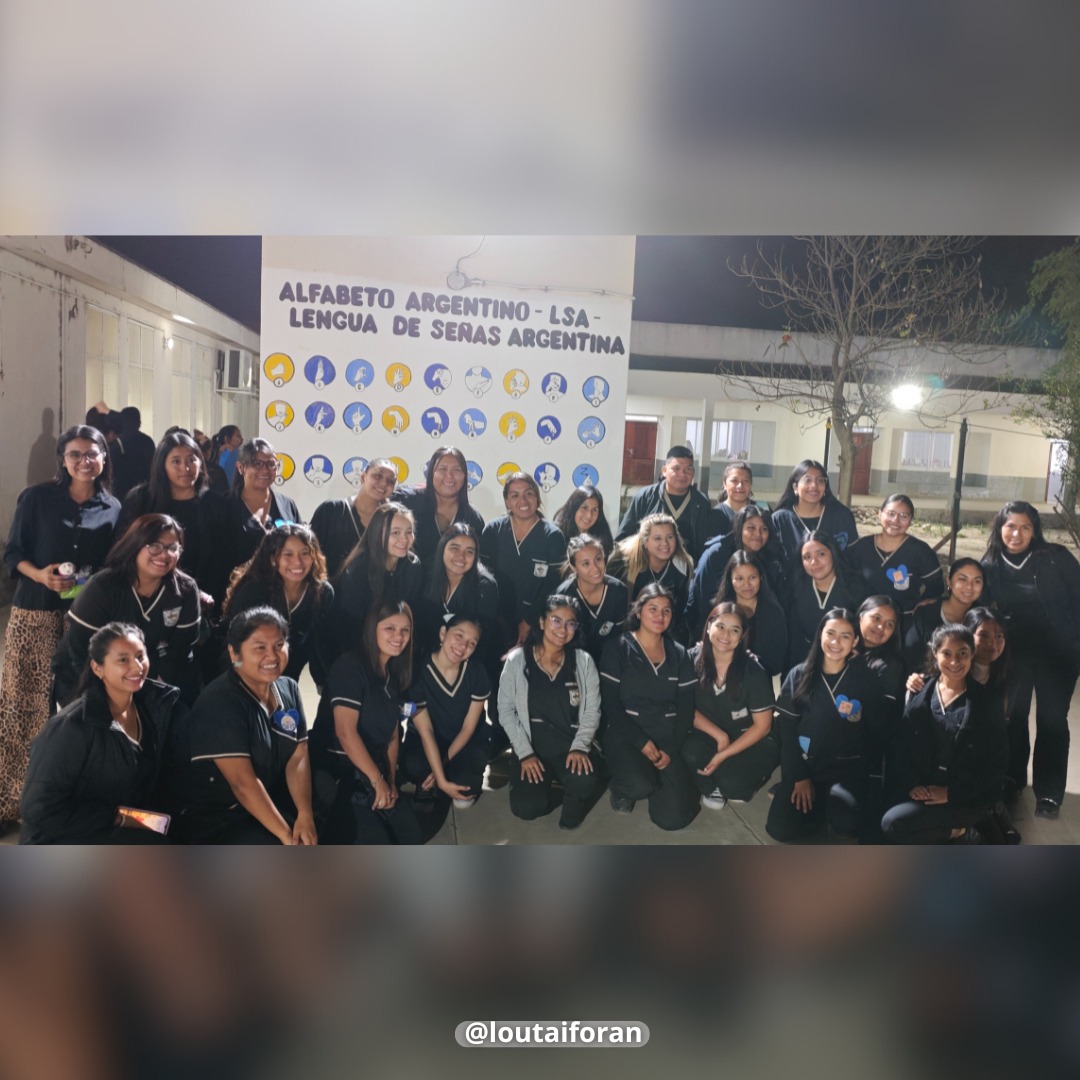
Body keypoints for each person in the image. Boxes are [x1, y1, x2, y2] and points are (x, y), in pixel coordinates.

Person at [0, 425, 120, 827]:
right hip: (34, 612)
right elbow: (13, 553)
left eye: (92, 453)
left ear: (103, 457)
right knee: (22, 706)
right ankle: (10, 802)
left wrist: (83, 584)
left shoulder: (113, 508)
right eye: (75, 454)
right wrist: (40, 575)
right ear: (63, 460)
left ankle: (61, 798)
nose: (84, 461)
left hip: (85, 618)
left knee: (76, 706)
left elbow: (110, 567)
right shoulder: (37, 498)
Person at [162, 606, 316, 844]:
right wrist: (287, 837)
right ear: (234, 654)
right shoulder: (220, 701)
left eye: (279, 645)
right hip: (212, 817)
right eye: (260, 648)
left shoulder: (289, 688)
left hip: (259, 803)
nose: (272, 656)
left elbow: (298, 755)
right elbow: (243, 784)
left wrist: (305, 814)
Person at [20, 623, 178, 844]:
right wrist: (117, 818)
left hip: (120, 825)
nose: (137, 667)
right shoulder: (71, 727)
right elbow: (38, 809)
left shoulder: (152, 707)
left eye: (140, 656)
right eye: (123, 660)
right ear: (97, 668)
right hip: (61, 839)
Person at [980, 500, 1080, 819]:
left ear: (1035, 531)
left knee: (1052, 719)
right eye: (1010, 526)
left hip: (1058, 655)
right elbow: (979, 608)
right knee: (1013, 716)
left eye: (1025, 527)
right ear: (1000, 528)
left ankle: (1049, 793)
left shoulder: (1056, 558)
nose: (1017, 533)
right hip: (1013, 654)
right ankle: (1012, 780)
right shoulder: (990, 563)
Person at [52, 513, 204, 707]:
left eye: (172, 548)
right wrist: (111, 695)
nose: (164, 554)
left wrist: (152, 690)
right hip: (85, 678)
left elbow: (181, 651)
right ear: (135, 545)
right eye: (155, 546)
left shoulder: (185, 589)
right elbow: (80, 650)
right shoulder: (103, 586)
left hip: (147, 679)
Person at [310, 600, 424, 844]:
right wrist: (377, 780)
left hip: (372, 767)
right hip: (338, 768)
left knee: (412, 836)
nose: (399, 636)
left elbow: (393, 734)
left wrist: (390, 779)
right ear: (373, 628)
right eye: (390, 628)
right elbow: (345, 732)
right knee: (375, 840)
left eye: (405, 630)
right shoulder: (350, 666)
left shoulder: (393, 673)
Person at [881, 624, 1008, 843]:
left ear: (972, 654)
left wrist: (950, 793)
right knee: (884, 828)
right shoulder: (919, 692)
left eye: (962, 653)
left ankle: (964, 831)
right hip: (923, 791)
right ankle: (956, 834)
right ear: (935, 653)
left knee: (895, 825)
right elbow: (902, 746)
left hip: (965, 795)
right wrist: (913, 784)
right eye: (946, 653)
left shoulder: (987, 702)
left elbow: (996, 764)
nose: (955, 662)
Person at [766, 608, 884, 843]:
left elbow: (873, 731)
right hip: (806, 764)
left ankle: (825, 804)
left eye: (845, 636)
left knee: (847, 823)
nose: (836, 642)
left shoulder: (865, 678)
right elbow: (787, 731)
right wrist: (798, 776)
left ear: (855, 641)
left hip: (845, 770)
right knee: (779, 830)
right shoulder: (799, 674)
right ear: (820, 634)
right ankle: (801, 796)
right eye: (830, 633)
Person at [498, 596, 603, 831]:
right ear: (542, 622)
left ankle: (573, 798)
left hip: (570, 745)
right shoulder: (518, 660)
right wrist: (524, 754)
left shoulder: (583, 661)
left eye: (570, 623)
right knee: (526, 809)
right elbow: (505, 710)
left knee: (584, 780)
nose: (563, 629)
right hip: (533, 747)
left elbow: (592, 709)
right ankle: (546, 790)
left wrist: (580, 746)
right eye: (556, 620)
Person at [600, 584, 699, 831]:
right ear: (638, 611)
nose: (660, 615)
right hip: (626, 731)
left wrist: (671, 749)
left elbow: (686, 708)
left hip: (666, 733)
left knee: (673, 820)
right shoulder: (618, 647)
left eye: (666, 610)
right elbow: (611, 704)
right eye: (653, 608)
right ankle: (621, 788)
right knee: (639, 784)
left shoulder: (679, 653)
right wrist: (642, 742)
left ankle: (658, 781)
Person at [681, 603, 779, 809]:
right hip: (711, 732)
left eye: (735, 630)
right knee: (689, 751)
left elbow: (763, 727)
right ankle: (712, 785)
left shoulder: (753, 670)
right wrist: (720, 736)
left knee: (734, 787)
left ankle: (749, 780)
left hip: (750, 737)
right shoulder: (690, 659)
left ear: (742, 636)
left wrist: (723, 754)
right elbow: (684, 707)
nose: (726, 635)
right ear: (709, 626)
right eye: (720, 626)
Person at [401, 615, 491, 824]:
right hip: (429, 738)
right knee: (413, 766)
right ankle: (429, 784)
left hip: (465, 739)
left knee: (464, 795)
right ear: (443, 633)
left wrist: (438, 769)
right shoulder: (418, 671)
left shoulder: (476, 671)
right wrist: (440, 778)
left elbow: (468, 728)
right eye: (459, 636)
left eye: (471, 643)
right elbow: (426, 732)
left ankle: (442, 777)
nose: (463, 646)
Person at [222, 524, 334, 686]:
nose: (298, 562)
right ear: (273, 559)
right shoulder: (254, 591)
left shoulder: (322, 593)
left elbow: (320, 644)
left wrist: (325, 683)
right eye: (288, 554)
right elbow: (236, 643)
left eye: (305, 553)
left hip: (289, 673)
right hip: (246, 673)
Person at [116, 431, 221, 592]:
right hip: (146, 592)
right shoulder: (141, 500)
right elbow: (124, 550)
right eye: (176, 461)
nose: (185, 468)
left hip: (204, 594)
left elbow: (222, 556)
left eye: (192, 460)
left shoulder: (214, 503)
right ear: (162, 465)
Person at [479, 472, 567, 648]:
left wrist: (529, 621)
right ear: (507, 502)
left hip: (536, 623)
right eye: (515, 495)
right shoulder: (493, 531)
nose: (523, 500)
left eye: (529, 493)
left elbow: (553, 585)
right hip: (495, 620)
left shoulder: (553, 536)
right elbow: (483, 577)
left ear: (537, 498)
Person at [213, 438, 302, 607]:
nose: (265, 469)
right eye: (256, 463)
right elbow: (215, 560)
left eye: (270, 464)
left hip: (282, 599)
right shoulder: (224, 506)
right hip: (237, 599)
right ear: (240, 467)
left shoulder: (287, 505)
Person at [331, 502, 423, 656]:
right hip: (358, 650)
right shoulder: (357, 572)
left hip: (396, 647)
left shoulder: (413, 566)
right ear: (377, 533)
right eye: (395, 533)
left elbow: (411, 614)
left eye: (409, 532)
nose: (404, 539)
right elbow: (350, 628)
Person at [686, 504, 785, 640]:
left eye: (764, 529)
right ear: (739, 528)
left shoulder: (770, 558)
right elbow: (703, 601)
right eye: (751, 528)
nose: (758, 534)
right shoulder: (717, 553)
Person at [783, 531, 867, 675]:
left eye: (821, 554)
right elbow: (794, 635)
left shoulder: (856, 587)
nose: (814, 562)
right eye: (807, 557)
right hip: (804, 660)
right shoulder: (796, 587)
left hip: (843, 659)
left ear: (833, 553)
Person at [844, 494, 944, 615]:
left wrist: (923, 606)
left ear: (910, 520)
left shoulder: (920, 551)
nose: (896, 520)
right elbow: (845, 580)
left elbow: (936, 587)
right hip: (866, 618)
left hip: (905, 618)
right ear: (880, 514)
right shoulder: (861, 547)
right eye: (891, 513)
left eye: (904, 516)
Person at [393, 447, 484, 574]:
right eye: (442, 469)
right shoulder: (407, 502)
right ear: (431, 473)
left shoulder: (472, 518)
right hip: (406, 583)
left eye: (457, 470)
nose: (449, 476)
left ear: (465, 476)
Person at [616, 445, 712, 561]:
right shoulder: (644, 497)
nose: (682, 474)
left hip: (689, 567)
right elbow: (624, 538)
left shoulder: (701, 502)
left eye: (688, 469)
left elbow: (706, 543)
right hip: (648, 566)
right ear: (664, 470)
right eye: (676, 468)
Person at [607, 513, 692, 642]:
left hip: (664, 635)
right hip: (627, 635)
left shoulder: (682, 567)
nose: (665, 543)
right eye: (657, 538)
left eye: (670, 537)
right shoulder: (623, 566)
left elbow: (679, 613)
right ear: (645, 542)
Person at [310, 457, 398, 579]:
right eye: (378, 476)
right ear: (363, 477)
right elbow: (310, 552)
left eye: (390, 481)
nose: (384, 483)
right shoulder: (331, 510)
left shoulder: (392, 520)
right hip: (331, 588)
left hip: (374, 590)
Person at [902, 557, 984, 673]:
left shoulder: (984, 619)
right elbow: (911, 655)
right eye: (962, 579)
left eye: (977, 581)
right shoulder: (926, 614)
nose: (969, 586)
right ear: (949, 582)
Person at [712, 550, 787, 676]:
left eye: (752, 577)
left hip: (760, 679)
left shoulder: (773, 612)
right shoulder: (719, 610)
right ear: (730, 579)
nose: (746, 584)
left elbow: (777, 662)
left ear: (761, 577)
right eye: (739, 578)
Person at [555, 534, 629, 661]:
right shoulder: (564, 594)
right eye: (586, 563)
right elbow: (561, 640)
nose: (595, 568)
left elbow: (618, 637)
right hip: (573, 659)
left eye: (598, 559)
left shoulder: (618, 591)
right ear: (573, 567)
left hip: (608, 658)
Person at [770, 459, 859, 564]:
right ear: (795, 487)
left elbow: (855, 558)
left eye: (820, 480)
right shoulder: (779, 520)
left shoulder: (842, 516)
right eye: (807, 480)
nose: (814, 486)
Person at [553, 484, 615, 555]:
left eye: (594, 510)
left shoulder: (602, 538)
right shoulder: (556, 536)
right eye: (584, 508)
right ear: (573, 508)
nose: (589, 515)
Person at [111, 406, 156, 500]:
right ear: (139, 423)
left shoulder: (115, 443)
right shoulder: (147, 442)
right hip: (144, 493)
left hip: (118, 494)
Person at [707, 462, 756, 539]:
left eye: (746, 480)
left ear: (751, 484)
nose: (740, 485)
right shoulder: (716, 514)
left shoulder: (761, 510)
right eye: (734, 480)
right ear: (724, 484)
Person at [206, 425, 243, 493]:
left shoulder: (234, 452)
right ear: (227, 439)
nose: (242, 438)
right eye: (238, 436)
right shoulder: (230, 453)